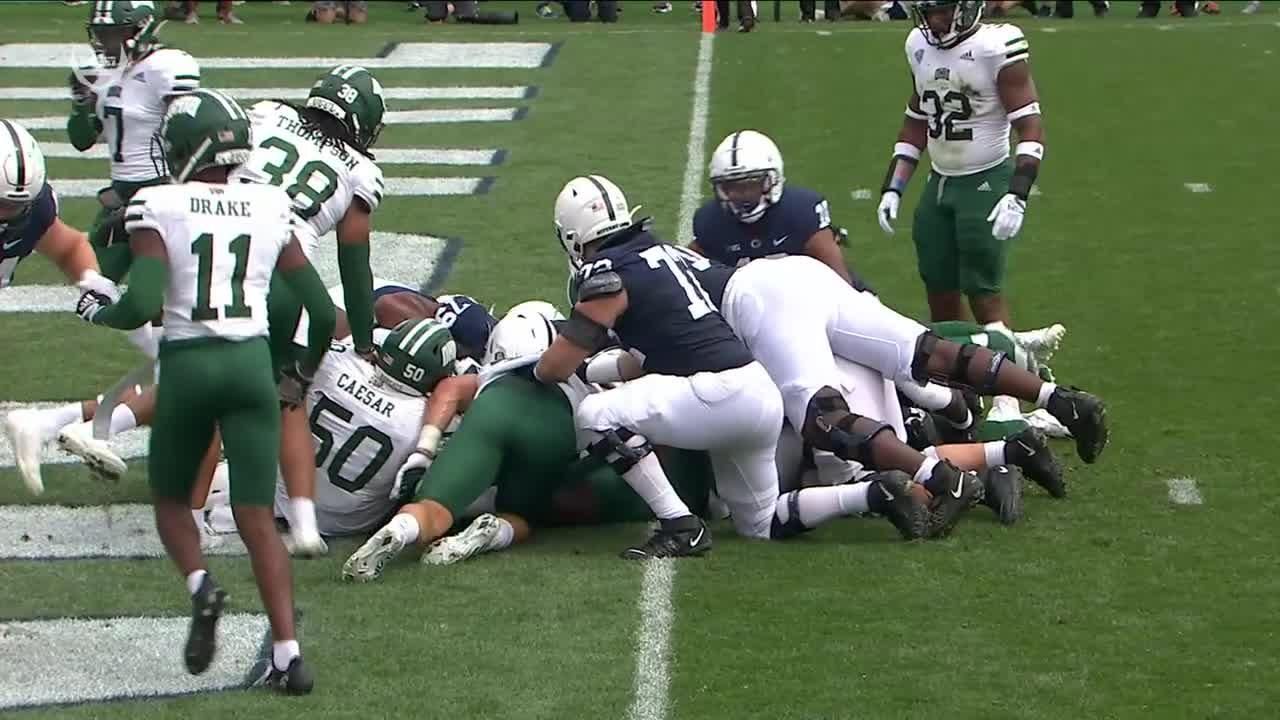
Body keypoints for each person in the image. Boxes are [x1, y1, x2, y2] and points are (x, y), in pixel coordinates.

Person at [71, 89, 331, 694]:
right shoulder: (272, 205)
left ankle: (200, 584)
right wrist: (296, 374)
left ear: (187, 148)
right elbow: (318, 310)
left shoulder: (157, 203)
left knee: (170, 503)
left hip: (189, 365)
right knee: (256, 518)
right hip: (249, 365)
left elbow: (139, 302)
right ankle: (289, 655)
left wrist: (99, 310)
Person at [533, 176, 933, 559]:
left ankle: (679, 526)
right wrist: (592, 372)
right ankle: (876, 493)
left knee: (595, 415)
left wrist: (535, 369)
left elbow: (555, 368)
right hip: (755, 391)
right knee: (759, 523)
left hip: (719, 395)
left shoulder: (608, 272)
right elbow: (641, 359)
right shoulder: (660, 252)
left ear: (571, 235)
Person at [875, 0, 1043, 326]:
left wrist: (1017, 194)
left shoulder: (996, 47)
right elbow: (917, 118)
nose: (934, 20)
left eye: (943, 10)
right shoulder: (917, 44)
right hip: (939, 183)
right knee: (939, 289)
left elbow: (1031, 127)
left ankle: (1006, 371)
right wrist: (893, 187)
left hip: (985, 180)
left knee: (983, 292)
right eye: (928, 12)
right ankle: (954, 373)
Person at [0, 120, 119, 495]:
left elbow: (67, 246)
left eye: (16, 205)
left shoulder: (33, 211)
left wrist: (94, 283)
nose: (8, 213)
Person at [69, 0, 200, 288]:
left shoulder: (167, 65)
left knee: (168, 295)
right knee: (91, 283)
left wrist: (161, 197)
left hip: (162, 197)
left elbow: (191, 136)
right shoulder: (102, 71)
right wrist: (81, 104)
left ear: (141, 28)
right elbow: (82, 140)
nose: (102, 42)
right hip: (121, 195)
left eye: (112, 33)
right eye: (99, 33)